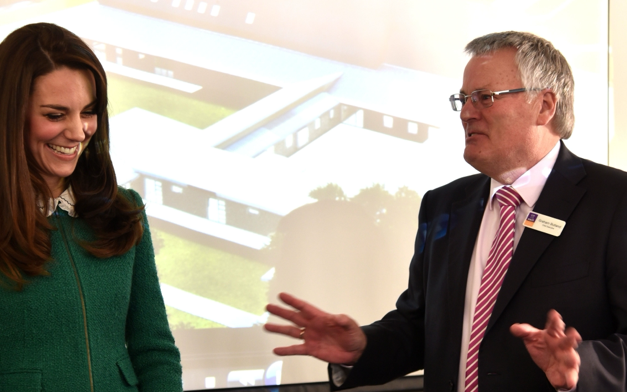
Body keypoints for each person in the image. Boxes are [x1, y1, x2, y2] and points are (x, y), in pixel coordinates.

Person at [264, 31, 627, 392]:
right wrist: (361, 348)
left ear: (545, 106)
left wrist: (584, 365)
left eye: (485, 98)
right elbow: (421, 328)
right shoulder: (444, 206)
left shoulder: (615, 201)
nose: (467, 113)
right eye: (464, 99)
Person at [0, 23, 183, 391]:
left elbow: (155, 351)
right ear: (8, 116)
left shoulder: (124, 208)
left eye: (89, 112)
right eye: (55, 115)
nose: (79, 131)